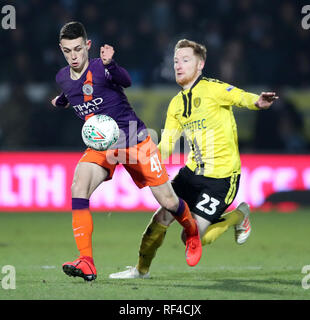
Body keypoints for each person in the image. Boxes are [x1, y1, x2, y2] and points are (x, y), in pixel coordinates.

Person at [109, 39, 278, 279]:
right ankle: (140, 270)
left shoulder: (213, 89)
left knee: (191, 236)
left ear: (200, 65)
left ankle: (239, 215)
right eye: (176, 61)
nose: (178, 65)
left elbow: (240, 97)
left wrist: (257, 102)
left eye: (185, 60)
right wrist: (141, 158)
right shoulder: (176, 104)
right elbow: (167, 144)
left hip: (221, 178)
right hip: (191, 173)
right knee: (162, 216)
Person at [51, 22, 202, 282]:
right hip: (102, 146)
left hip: (135, 140)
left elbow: (126, 81)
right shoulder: (62, 77)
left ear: (88, 46)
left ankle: (191, 231)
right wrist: (61, 100)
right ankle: (86, 261)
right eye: (67, 51)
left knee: (168, 201)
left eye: (77, 49)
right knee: (78, 187)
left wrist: (111, 64)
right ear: (61, 50)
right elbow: (72, 92)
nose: (73, 56)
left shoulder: (101, 67)